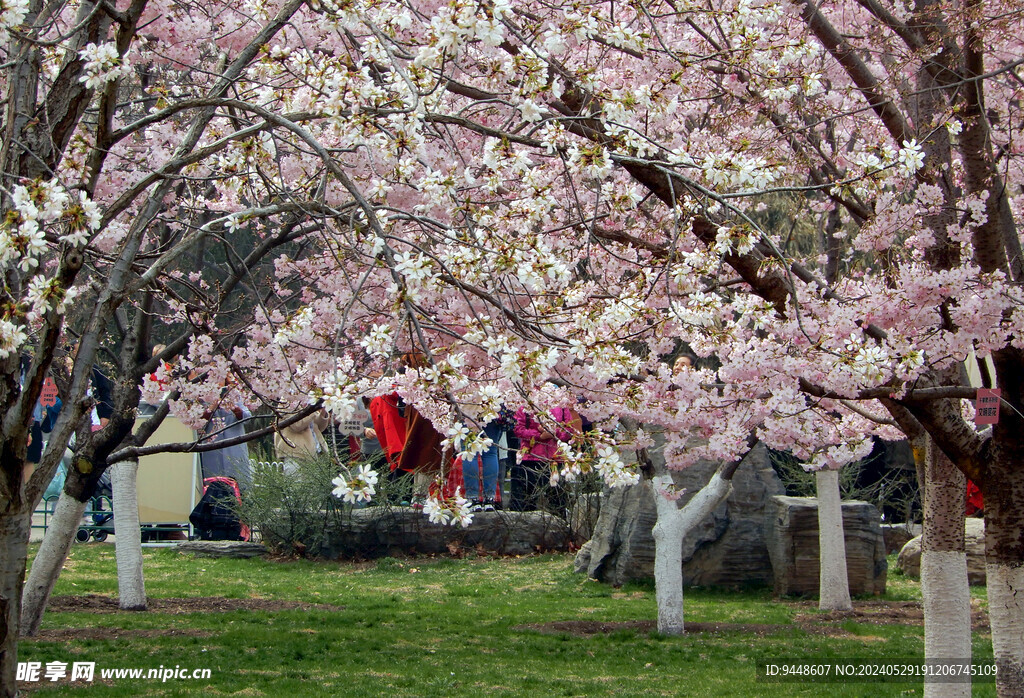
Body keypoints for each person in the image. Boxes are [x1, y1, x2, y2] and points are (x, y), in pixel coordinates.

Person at [511, 404, 580, 514]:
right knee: (525, 502)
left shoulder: (560, 403)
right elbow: (518, 428)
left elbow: (569, 429)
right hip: (530, 457)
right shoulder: (526, 402)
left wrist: (554, 433)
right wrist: (539, 435)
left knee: (557, 501)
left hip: (555, 458)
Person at [197, 382, 253, 491]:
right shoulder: (202, 397)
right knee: (213, 490)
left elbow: (247, 418)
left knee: (239, 487)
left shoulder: (235, 395)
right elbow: (197, 424)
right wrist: (211, 409)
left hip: (234, 450)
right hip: (212, 452)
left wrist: (233, 407)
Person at [461, 418, 505, 512]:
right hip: (491, 411)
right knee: (490, 453)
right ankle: (489, 499)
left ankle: (473, 498)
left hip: (467, 410)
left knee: (470, 453)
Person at [274, 409, 330, 474]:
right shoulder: (287, 403)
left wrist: (323, 411)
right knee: (296, 483)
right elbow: (297, 425)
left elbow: (319, 427)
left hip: (313, 453)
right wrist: (313, 409)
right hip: (295, 454)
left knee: (315, 482)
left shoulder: (307, 403)